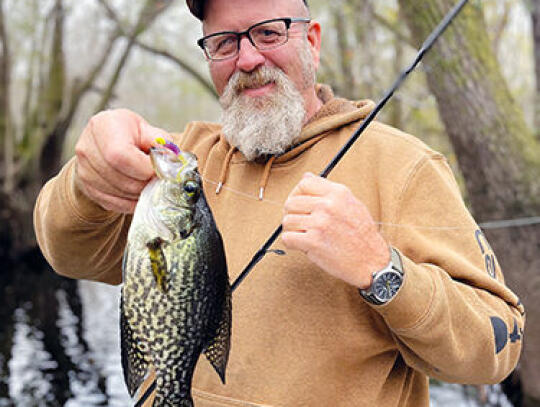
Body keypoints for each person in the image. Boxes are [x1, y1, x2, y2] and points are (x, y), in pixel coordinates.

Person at [34, 0, 525, 405]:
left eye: (268, 32)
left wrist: (382, 269)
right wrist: (88, 177)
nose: (247, 60)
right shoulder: (181, 161)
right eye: (224, 43)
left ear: (310, 41)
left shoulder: (402, 165)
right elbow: (67, 251)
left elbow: (496, 347)